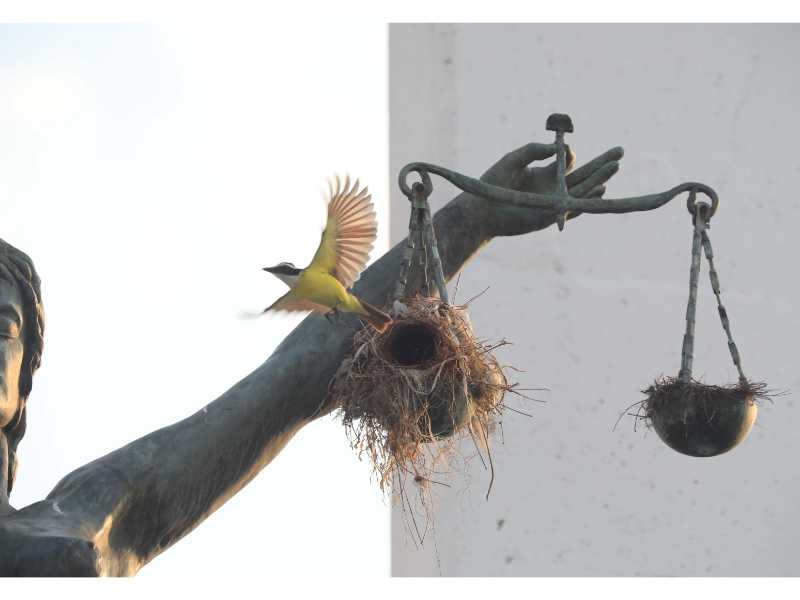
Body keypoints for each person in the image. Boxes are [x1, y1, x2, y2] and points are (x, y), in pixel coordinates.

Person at [0, 141, 624, 576]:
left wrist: (471, 218)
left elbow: (294, 378)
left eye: (2, 329)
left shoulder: (84, 514)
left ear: (23, 383)